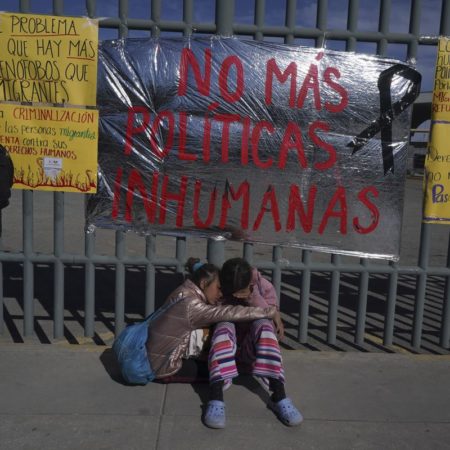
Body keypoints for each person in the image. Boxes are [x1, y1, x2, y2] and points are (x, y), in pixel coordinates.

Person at [145, 256, 278, 391]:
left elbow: (204, 271)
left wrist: (195, 265)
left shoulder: (186, 289)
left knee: (218, 363)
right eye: (219, 288)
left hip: (158, 353)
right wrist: (270, 312)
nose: (220, 293)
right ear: (203, 284)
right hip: (162, 366)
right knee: (219, 371)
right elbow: (229, 312)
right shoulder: (193, 305)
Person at [203, 257, 303, 428]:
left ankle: (279, 395)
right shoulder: (218, 286)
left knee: (263, 324)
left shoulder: (262, 286)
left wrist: (252, 296)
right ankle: (216, 395)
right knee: (223, 324)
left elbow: (270, 316)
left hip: (253, 355)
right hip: (225, 354)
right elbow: (211, 313)